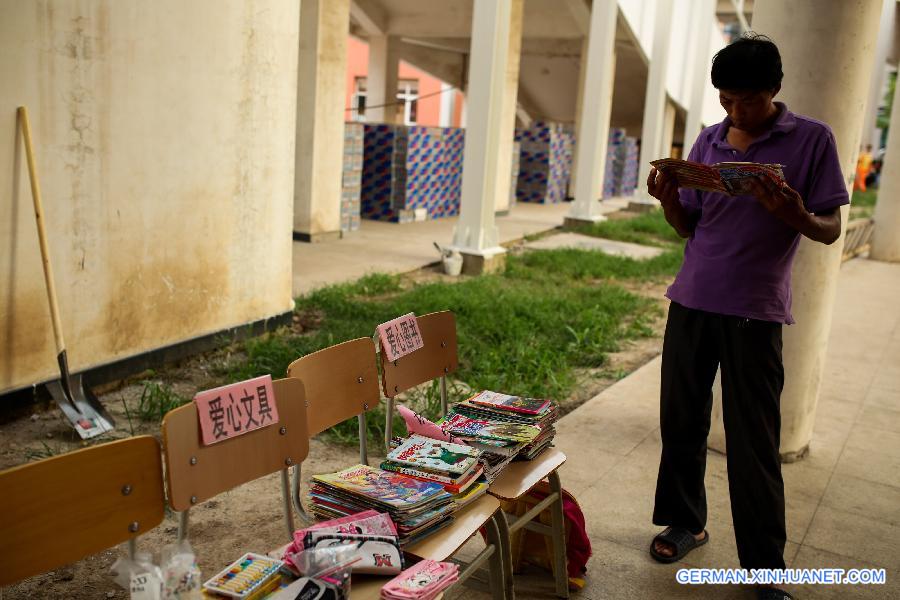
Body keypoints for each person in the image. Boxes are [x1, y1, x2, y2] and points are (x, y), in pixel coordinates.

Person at [645, 33, 847, 600]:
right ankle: (686, 521)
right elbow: (690, 227)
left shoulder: (812, 140)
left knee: (753, 440)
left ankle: (764, 566)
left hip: (754, 313)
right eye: (727, 100)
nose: (735, 112)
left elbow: (831, 229)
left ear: (775, 90)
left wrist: (797, 212)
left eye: (747, 101)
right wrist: (668, 199)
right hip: (691, 300)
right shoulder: (709, 139)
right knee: (681, 420)